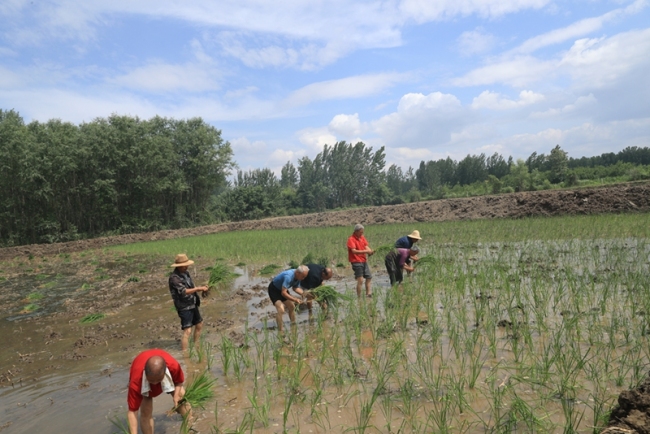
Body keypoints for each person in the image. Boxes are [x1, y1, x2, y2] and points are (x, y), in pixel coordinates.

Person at [127, 349, 188, 434]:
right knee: (146, 411)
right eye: (151, 381)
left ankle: (189, 423)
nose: (155, 383)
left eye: (158, 380)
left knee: (182, 398)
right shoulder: (136, 380)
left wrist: (176, 395)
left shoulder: (173, 366)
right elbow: (133, 411)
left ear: (165, 371)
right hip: (144, 384)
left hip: (163, 374)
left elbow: (179, 382)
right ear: (145, 372)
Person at [168, 254, 209, 351]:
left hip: (192, 303)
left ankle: (196, 345)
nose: (187, 266)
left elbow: (191, 286)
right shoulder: (174, 278)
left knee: (199, 324)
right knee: (188, 330)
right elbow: (183, 291)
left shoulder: (186, 273)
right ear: (178, 266)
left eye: (187, 265)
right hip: (183, 306)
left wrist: (202, 288)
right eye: (184, 265)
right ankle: (185, 353)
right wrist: (198, 288)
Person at [268, 265, 309, 331]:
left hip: (282, 289)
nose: (303, 278)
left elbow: (295, 288)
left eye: (304, 277)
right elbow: (283, 293)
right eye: (303, 276)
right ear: (298, 273)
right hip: (274, 290)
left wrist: (304, 294)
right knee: (281, 309)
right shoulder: (288, 277)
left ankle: (293, 324)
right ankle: (280, 330)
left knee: (291, 306)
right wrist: (295, 299)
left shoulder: (298, 277)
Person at [347, 224, 374, 298]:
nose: (362, 234)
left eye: (362, 232)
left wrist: (370, 251)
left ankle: (368, 294)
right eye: (360, 232)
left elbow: (366, 246)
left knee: (369, 277)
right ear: (356, 231)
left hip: (363, 260)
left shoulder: (362, 237)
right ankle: (359, 297)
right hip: (356, 261)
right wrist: (365, 251)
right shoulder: (351, 239)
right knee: (360, 280)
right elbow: (354, 251)